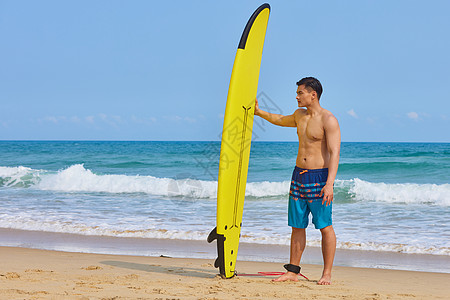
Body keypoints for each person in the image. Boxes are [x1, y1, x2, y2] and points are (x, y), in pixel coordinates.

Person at [254, 77, 340, 285]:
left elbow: (334, 152)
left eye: (300, 92)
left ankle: (326, 273)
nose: (297, 96)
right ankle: (293, 271)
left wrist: (329, 184)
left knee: (324, 226)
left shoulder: (328, 119)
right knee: (297, 226)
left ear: (313, 94)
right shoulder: (299, 116)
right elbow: (279, 119)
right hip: (298, 176)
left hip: (319, 178)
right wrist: (258, 112)